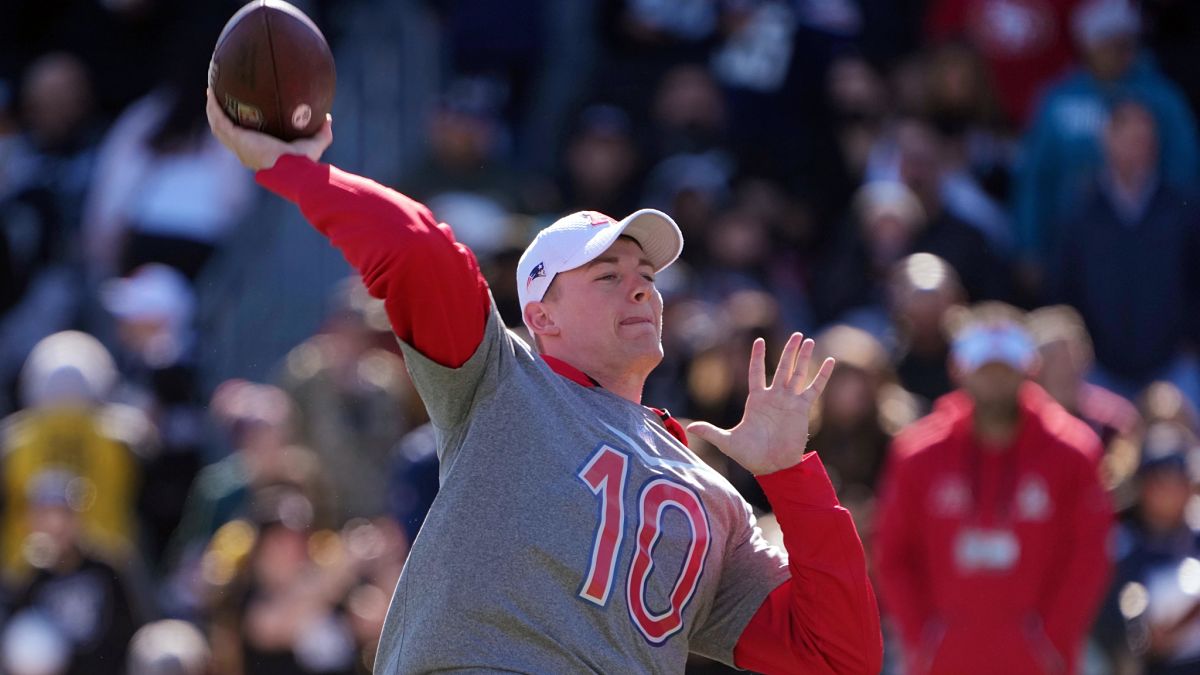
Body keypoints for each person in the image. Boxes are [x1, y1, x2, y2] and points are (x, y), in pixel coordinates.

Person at [206, 89, 882, 673]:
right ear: (541, 315)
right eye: (608, 276)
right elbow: (420, 251)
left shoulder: (714, 497)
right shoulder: (503, 381)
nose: (641, 291)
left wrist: (790, 475)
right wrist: (296, 169)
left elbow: (839, 656)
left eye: (647, 277)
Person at [873, 302, 1113, 674]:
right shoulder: (917, 454)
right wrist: (923, 639)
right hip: (944, 661)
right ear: (958, 368)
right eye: (984, 368)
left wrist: (1052, 640)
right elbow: (893, 555)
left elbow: (1090, 557)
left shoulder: (1073, 452)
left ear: (1029, 368)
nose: (995, 380)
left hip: (1038, 664)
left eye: (1005, 369)